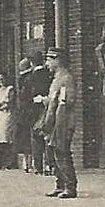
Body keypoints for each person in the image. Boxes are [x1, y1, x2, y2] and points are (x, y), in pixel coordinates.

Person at [41, 47, 77, 198]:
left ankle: (70, 186)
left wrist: (49, 100)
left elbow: (68, 100)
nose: (47, 63)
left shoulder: (66, 78)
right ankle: (60, 184)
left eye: (49, 60)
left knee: (62, 153)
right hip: (56, 120)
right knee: (55, 153)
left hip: (63, 121)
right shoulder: (58, 77)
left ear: (58, 60)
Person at [19, 50, 52, 176]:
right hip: (48, 107)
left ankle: (38, 166)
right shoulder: (49, 74)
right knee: (48, 136)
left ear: (31, 62)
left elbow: (24, 96)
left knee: (36, 137)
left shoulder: (29, 77)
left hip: (34, 110)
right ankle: (50, 165)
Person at [0, 71, 17, 169]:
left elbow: (10, 102)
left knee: (7, 136)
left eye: (2, 79)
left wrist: (1, 104)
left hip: (7, 114)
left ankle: (9, 161)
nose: (0, 82)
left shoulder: (10, 89)